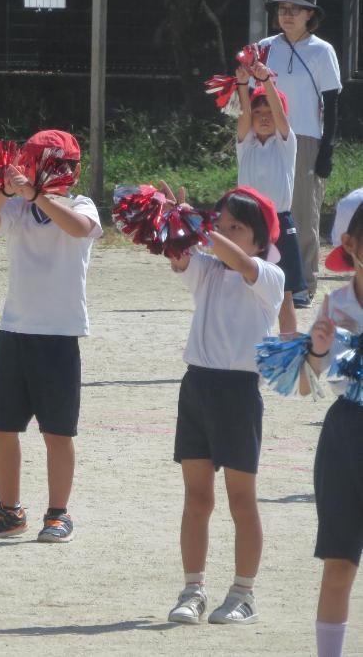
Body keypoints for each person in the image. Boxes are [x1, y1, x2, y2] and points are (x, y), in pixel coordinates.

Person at [0, 130, 100, 543]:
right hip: (15, 331)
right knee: (3, 427)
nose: (51, 173)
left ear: (74, 173)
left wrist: (39, 195)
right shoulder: (17, 210)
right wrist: (5, 193)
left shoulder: (81, 205)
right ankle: (9, 510)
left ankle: (58, 512)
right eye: (41, 164)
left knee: (58, 432)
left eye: (60, 166)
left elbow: (78, 229)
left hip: (59, 336)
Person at [163, 184, 284, 626]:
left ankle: (243, 594)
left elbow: (239, 261)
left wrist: (202, 226)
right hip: (196, 386)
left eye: (237, 226)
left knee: (241, 501)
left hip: (237, 394)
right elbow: (180, 258)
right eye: (222, 222)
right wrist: (171, 221)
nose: (225, 231)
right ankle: (193, 589)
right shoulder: (210, 268)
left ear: (260, 238)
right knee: (196, 498)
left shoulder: (270, 276)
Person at [304, 191, 363, 657]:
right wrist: (319, 350)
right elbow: (307, 383)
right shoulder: (335, 305)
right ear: (351, 243)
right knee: (339, 561)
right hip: (346, 434)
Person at [260, 0, 341, 308]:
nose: (287, 14)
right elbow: (251, 96)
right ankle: (263, 279)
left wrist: (327, 151)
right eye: (282, 8)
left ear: (310, 15)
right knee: (261, 211)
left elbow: (332, 103)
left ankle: (304, 284)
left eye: (295, 9)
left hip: (305, 137)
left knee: (302, 215)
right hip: (266, 137)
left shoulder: (322, 50)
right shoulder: (264, 47)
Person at [234, 60, 303, 336]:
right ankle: (245, 355)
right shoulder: (245, 144)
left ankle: (288, 352)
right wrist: (242, 86)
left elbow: (279, 115)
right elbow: (243, 115)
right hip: (247, 224)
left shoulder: (287, 144)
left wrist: (265, 82)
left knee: (285, 296)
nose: (263, 116)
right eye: (257, 111)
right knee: (245, 291)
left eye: (270, 112)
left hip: (280, 223)